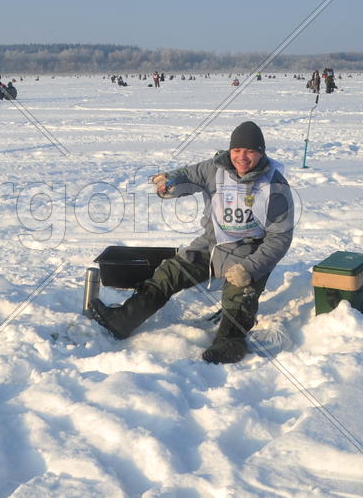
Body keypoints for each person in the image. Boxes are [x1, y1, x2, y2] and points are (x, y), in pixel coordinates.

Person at [90, 121, 294, 364]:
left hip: (249, 253)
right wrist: (171, 182)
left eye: (250, 151)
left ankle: (229, 343)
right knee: (168, 273)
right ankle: (121, 321)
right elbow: (188, 175)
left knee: (239, 298)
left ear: (261, 152)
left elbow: (280, 238)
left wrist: (250, 269)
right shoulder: (215, 168)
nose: (242, 157)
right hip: (210, 244)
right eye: (237, 150)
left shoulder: (275, 186)